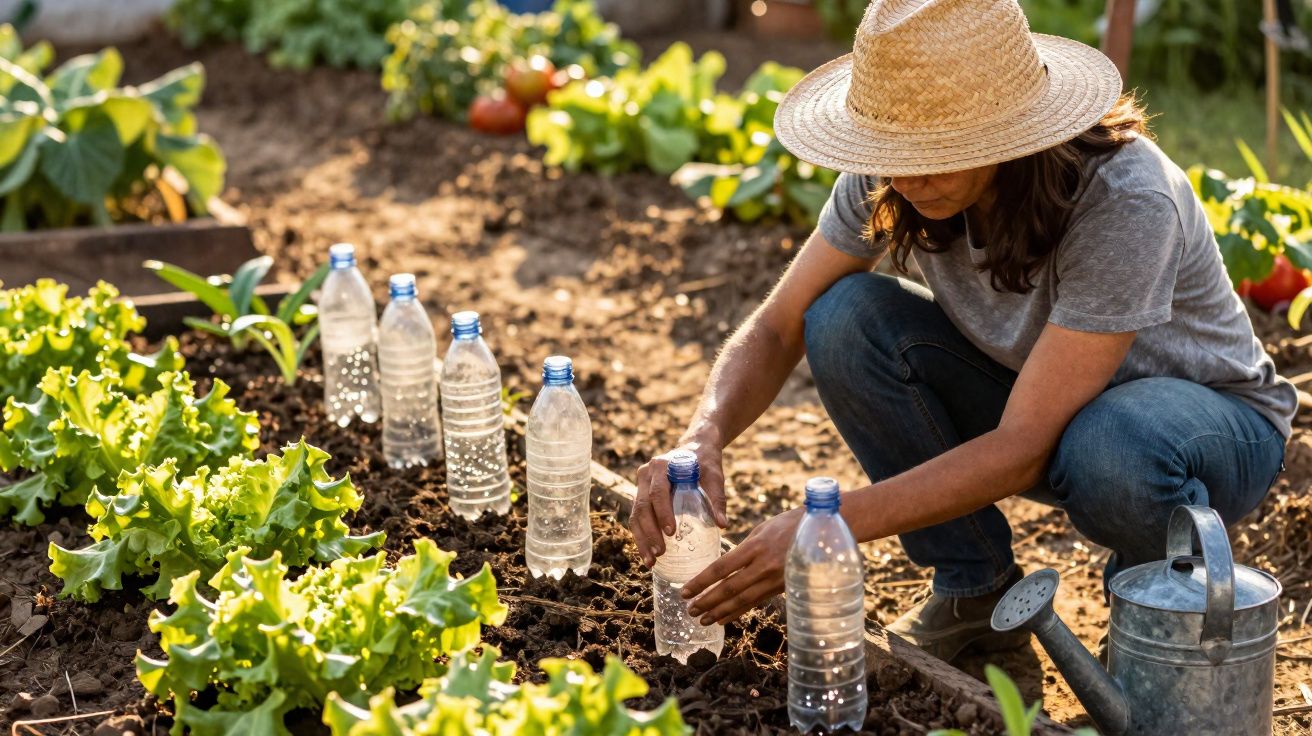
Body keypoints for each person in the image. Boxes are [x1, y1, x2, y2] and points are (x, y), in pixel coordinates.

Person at [627, 0, 1296, 663]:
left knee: (1111, 443)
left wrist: (831, 524)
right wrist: (701, 435)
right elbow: (776, 329)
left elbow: (1023, 448)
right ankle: (975, 591)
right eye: (894, 152)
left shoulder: (1123, 197)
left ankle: (1158, 618)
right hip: (1052, 412)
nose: (909, 176)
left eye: (940, 153)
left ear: (1010, 132)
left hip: (1209, 430)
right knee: (842, 317)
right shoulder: (889, 169)